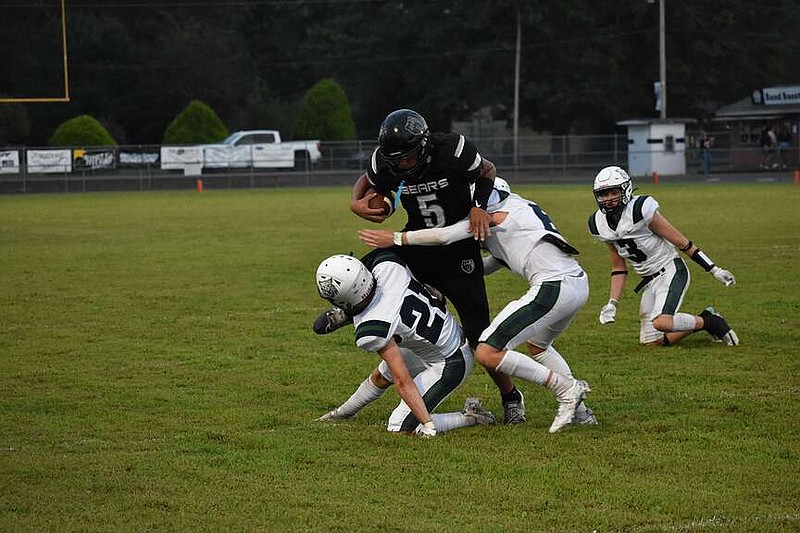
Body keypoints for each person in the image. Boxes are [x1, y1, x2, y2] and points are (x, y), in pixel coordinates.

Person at [315, 108, 527, 425]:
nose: (402, 164)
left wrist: (478, 207)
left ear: (425, 144)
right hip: (417, 242)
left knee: (479, 335)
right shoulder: (385, 158)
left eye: (408, 157)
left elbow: (487, 170)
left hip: (458, 249)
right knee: (376, 260)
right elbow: (369, 180)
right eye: (395, 159)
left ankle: (511, 397)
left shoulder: (452, 148)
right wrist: (355, 201)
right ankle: (350, 308)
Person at [358, 178, 593, 433]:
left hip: (554, 285)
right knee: (538, 346)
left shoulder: (493, 215)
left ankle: (566, 389)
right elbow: (499, 260)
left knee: (486, 351)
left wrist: (395, 238)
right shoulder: (520, 207)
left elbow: (444, 235)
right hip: (576, 282)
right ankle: (582, 414)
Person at [314, 252, 496, 436]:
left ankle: (471, 416)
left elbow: (403, 380)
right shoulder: (387, 267)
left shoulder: (373, 326)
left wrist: (427, 423)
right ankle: (341, 414)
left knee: (400, 427)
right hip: (440, 338)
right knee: (381, 377)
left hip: (452, 360)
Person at [587, 166, 739, 347]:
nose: (610, 199)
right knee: (651, 342)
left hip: (670, 270)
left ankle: (713, 322)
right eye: (604, 194)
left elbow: (683, 243)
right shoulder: (598, 224)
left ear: (626, 189)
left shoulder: (641, 209)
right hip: (649, 281)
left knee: (662, 322)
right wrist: (612, 303)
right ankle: (705, 318)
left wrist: (714, 269)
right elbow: (618, 267)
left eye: (614, 192)